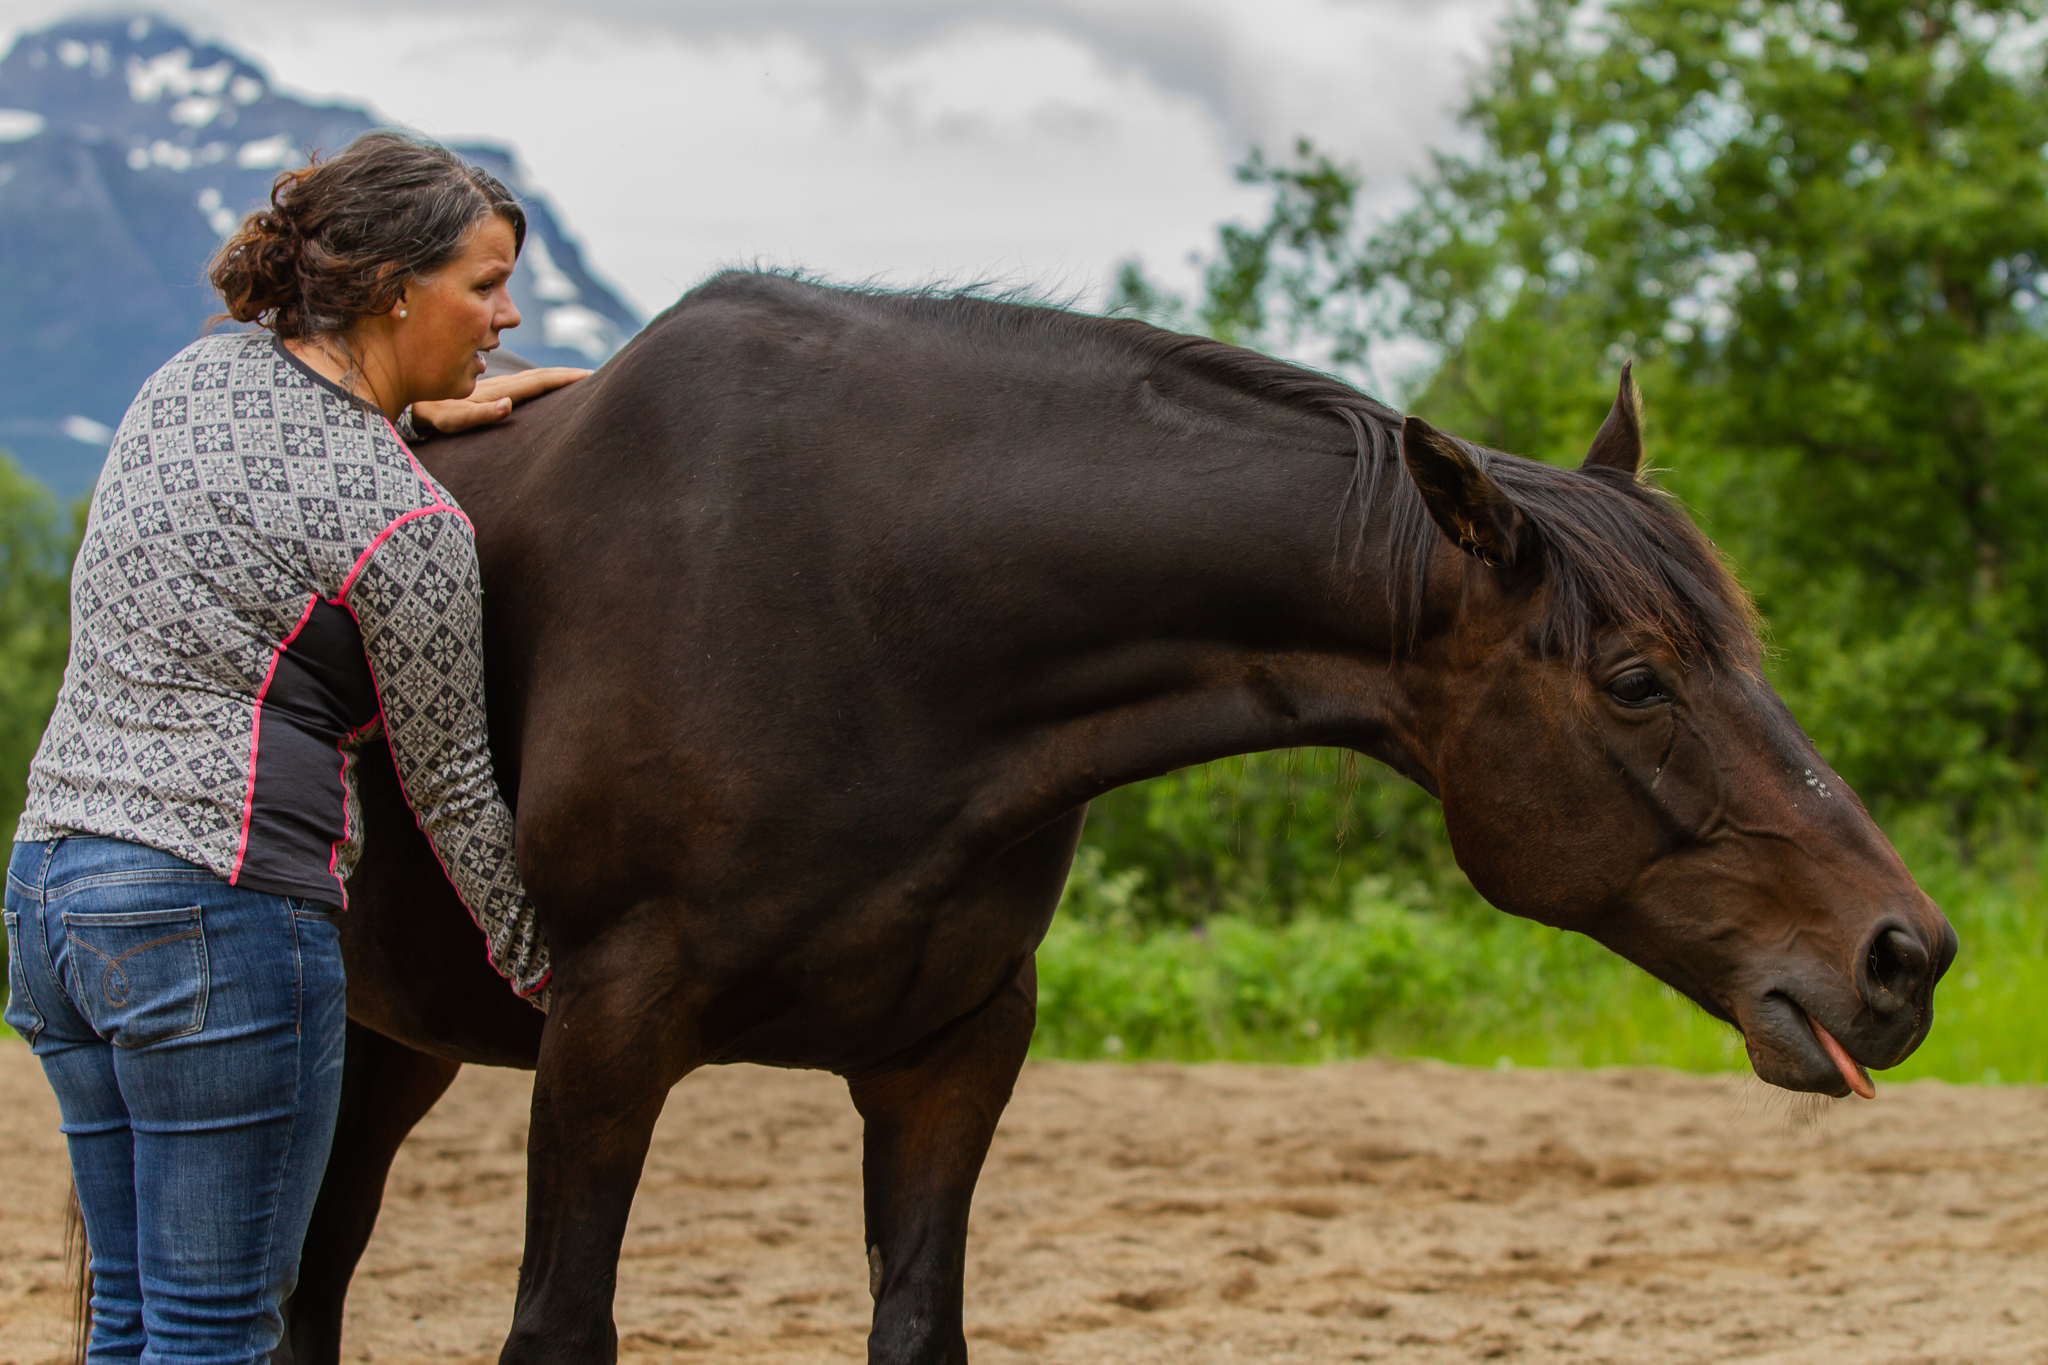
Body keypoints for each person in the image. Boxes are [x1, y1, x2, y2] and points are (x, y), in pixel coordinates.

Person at [1, 129, 588, 1364]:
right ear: (392, 289)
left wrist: (410, 409)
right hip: (217, 917)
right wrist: (558, 985)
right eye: (482, 285)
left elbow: (287, 456)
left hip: (51, 899)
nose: (508, 315)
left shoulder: (187, 382)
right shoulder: (404, 527)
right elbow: (454, 790)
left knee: (130, 1318)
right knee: (220, 1334)